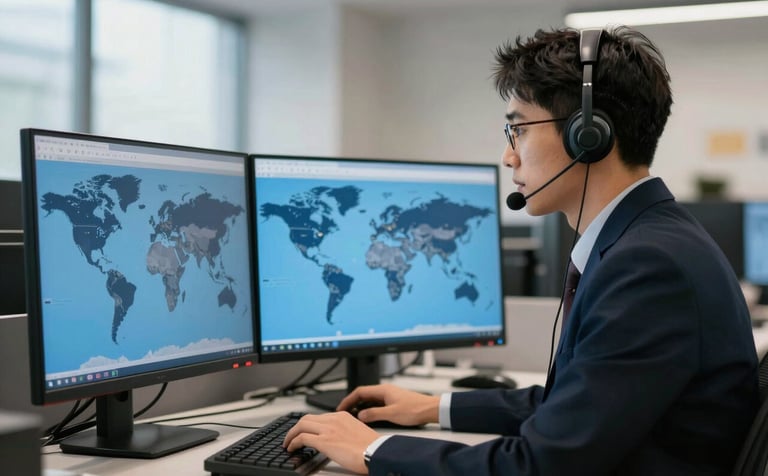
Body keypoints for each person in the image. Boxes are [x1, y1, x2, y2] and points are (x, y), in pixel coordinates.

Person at [283, 25, 759, 475]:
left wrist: (371, 449)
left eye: (519, 130)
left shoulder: (648, 266)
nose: (509, 155)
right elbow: (580, 404)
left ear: (588, 135)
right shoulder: (648, 239)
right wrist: (432, 406)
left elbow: (539, 464)